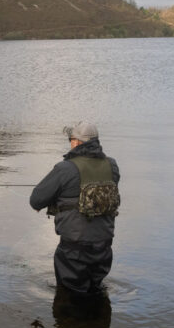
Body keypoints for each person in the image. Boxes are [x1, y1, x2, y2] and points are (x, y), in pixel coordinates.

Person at [30, 121, 120, 298]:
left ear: (77, 143)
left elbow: (36, 200)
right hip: (104, 245)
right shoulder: (112, 166)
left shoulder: (65, 168)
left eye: (71, 139)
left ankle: (73, 323)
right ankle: (97, 323)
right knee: (96, 293)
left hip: (74, 249)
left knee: (70, 297)